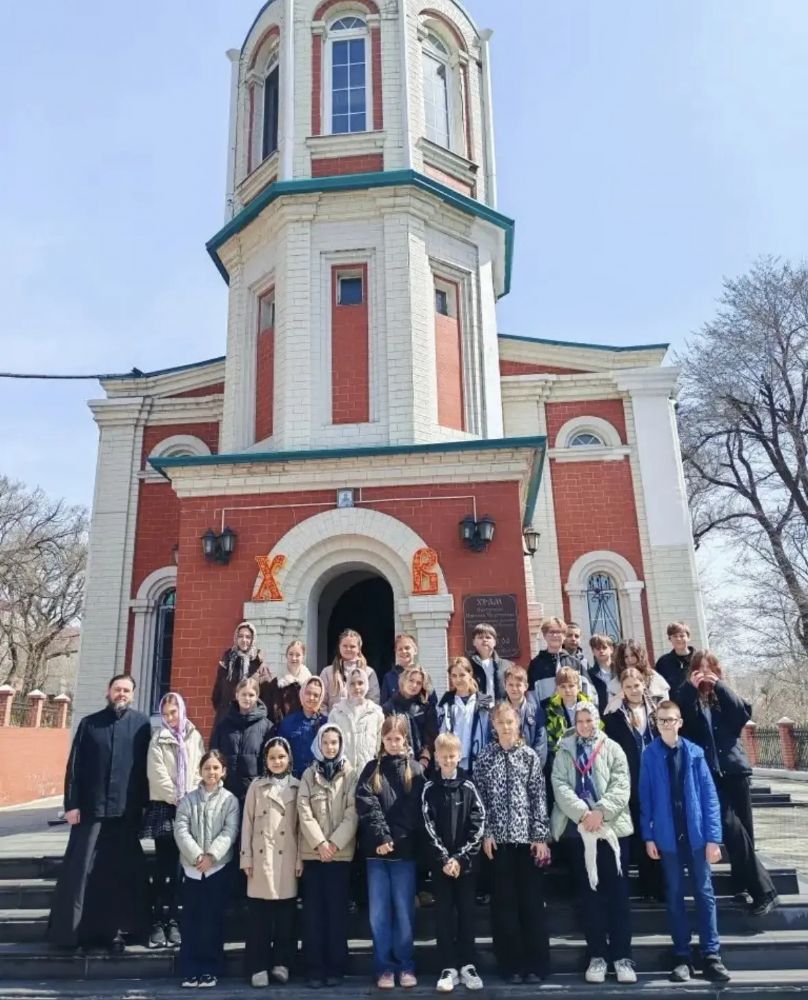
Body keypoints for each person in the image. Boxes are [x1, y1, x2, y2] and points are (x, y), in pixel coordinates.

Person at [47, 674, 151, 953]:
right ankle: (74, 934)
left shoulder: (142, 725)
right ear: (108, 691)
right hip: (91, 811)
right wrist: (71, 804)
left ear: (133, 694)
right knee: (82, 872)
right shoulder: (89, 724)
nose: (121, 694)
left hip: (126, 813)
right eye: (117, 689)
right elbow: (75, 767)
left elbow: (146, 771)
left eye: (126, 690)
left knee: (121, 874)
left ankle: (119, 933)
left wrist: (144, 807)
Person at [677, 651, 779, 916]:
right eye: (699, 668)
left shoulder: (723, 694)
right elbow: (683, 725)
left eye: (709, 668)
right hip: (709, 775)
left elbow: (741, 717)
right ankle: (765, 891)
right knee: (731, 827)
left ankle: (744, 886)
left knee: (744, 831)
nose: (704, 673)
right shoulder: (689, 698)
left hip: (734, 770)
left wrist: (720, 686)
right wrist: (690, 689)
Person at [640, 700, 731, 984]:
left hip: (696, 838)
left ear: (680, 722)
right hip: (668, 839)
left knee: (704, 894)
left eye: (671, 719)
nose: (667, 724)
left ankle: (711, 954)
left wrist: (714, 838)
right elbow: (645, 797)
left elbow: (710, 798)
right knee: (675, 896)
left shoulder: (695, 753)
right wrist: (648, 836)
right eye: (661, 720)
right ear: (656, 724)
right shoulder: (649, 754)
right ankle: (682, 955)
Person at [551, 702, 636, 985]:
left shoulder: (613, 748)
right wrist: (583, 814)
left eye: (589, 720)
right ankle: (597, 956)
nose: (585, 725)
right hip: (579, 832)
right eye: (580, 721)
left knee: (617, 896)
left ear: (597, 721)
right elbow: (559, 784)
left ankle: (622, 957)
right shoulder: (564, 750)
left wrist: (601, 811)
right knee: (590, 897)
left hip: (611, 831)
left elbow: (621, 785)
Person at [474, 702, 551, 985]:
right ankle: (511, 966)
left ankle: (536, 965)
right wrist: (487, 832)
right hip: (499, 843)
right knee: (504, 907)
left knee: (531, 905)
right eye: (500, 722)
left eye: (510, 722)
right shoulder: (485, 757)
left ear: (517, 723)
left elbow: (538, 797)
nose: (506, 727)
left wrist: (540, 836)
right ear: (493, 726)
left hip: (527, 841)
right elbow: (479, 800)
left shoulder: (529, 756)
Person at [355, 715, 426, 989]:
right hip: (376, 854)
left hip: (404, 854)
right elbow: (366, 803)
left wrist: (394, 837)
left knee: (404, 913)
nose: (393, 743)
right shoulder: (372, 769)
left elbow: (414, 810)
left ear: (405, 740)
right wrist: (381, 836)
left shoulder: (415, 771)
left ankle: (405, 965)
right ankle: (383, 967)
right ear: (382, 740)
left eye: (398, 739)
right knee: (379, 914)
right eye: (388, 739)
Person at [421, 732, 485, 993]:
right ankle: (448, 967)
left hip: (465, 866)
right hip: (441, 866)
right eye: (443, 756)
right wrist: (444, 859)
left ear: (459, 756)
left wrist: (460, 858)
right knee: (444, 915)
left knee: (467, 914)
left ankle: (468, 965)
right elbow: (428, 826)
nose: (448, 760)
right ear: (436, 757)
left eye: (452, 756)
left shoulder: (469, 787)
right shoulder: (429, 789)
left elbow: (478, 824)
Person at [298, 724, 358, 988]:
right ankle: (314, 968)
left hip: (339, 856)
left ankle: (335, 967)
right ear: (318, 745)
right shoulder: (308, 775)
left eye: (334, 742)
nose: (330, 747)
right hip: (313, 855)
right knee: (313, 915)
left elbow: (353, 812)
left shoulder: (350, 774)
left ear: (340, 744)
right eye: (326, 742)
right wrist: (320, 843)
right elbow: (303, 812)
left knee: (336, 914)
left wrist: (333, 843)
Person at [174, 749, 240, 988]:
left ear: (223, 771)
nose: (211, 772)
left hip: (217, 869)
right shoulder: (188, 799)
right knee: (192, 921)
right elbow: (181, 829)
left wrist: (211, 856)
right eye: (207, 768)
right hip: (192, 869)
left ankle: (210, 969)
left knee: (213, 921)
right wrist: (196, 856)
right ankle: (190, 970)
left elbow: (230, 831)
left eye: (215, 768)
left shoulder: (230, 800)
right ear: (200, 771)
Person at [143, 692, 205, 949]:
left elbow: (200, 769)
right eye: (166, 714)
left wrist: (191, 796)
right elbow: (156, 774)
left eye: (174, 712)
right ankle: (158, 922)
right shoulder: (158, 738)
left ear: (182, 710)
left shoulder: (194, 736)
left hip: (189, 809)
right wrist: (177, 797)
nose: (170, 718)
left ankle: (174, 920)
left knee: (181, 870)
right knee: (164, 869)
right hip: (166, 809)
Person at [241, 736, 302, 987]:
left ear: (289, 759)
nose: (277, 762)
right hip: (261, 857)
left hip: (287, 857)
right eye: (272, 757)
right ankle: (258, 966)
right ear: (265, 760)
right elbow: (247, 823)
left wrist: (300, 859)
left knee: (286, 917)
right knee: (260, 918)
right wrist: (246, 857)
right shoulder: (256, 786)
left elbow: (300, 828)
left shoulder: (297, 786)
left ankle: (282, 963)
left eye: (281, 757)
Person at [603, 667, 663, 900]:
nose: (633, 690)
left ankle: (661, 886)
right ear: (622, 690)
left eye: (636, 685)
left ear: (643, 684)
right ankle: (646, 886)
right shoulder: (616, 716)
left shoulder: (656, 711)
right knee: (639, 831)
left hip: (656, 778)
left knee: (658, 829)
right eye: (628, 687)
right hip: (632, 779)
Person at [210, 676, 274, 804]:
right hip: (226, 792)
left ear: (257, 697)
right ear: (236, 695)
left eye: (251, 695)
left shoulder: (267, 727)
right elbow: (214, 755)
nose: (247, 698)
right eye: (243, 694)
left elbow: (269, 762)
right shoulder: (223, 725)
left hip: (254, 793)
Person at [437, 657, 492, 777]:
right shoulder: (446, 702)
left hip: (479, 763)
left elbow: (490, 733)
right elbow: (441, 734)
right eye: (454, 676)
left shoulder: (484, 701)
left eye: (462, 675)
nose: (458, 679)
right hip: (452, 763)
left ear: (470, 674)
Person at [211, 621, 270, 730]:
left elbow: (267, 697)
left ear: (253, 639)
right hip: (227, 721)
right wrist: (224, 711)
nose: (244, 640)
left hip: (251, 722)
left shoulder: (259, 664)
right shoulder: (227, 662)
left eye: (248, 637)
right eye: (241, 636)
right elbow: (217, 695)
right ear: (236, 638)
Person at [382, 666, 439, 772]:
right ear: (403, 680)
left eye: (419, 683)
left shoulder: (427, 707)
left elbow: (432, 736)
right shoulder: (388, 707)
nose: (414, 685)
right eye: (411, 680)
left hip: (423, 765)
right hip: (397, 763)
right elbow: (386, 737)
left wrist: (424, 760)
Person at [528, 616, 592, 706]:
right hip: (544, 713)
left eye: (558, 632)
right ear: (544, 635)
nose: (555, 635)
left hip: (574, 713)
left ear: (564, 636)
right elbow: (531, 697)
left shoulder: (575, 664)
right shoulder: (536, 664)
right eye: (551, 632)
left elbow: (588, 692)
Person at [329, 668, 384, 773]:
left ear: (366, 684)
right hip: (343, 773)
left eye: (360, 683)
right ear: (347, 686)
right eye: (352, 684)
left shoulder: (375, 712)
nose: (357, 687)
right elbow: (331, 744)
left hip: (368, 772)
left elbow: (380, 745)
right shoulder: (336, 713)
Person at [278, 676, 329, 779]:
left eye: (316, 695)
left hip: (318, 780)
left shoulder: (326, 723)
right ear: (302, 694)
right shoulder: (288, 722)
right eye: (308, 693)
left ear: (321, 698)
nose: (311, 698)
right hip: (293, 780)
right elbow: (280, 751)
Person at [320, 629, 381, 711]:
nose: (348, 649)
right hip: (333, 718)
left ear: (359, 648)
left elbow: (373, 701)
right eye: (345, 646)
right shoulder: (327, 672)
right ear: (339, 647)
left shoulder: (369, 672)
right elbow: (321, 702)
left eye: (352, 646)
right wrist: (331, 718)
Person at [501, 663, 547, 765]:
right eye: (510, 685)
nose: (514, 689)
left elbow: (541, 744)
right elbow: (494, 742)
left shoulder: (536, 712)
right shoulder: (498, 713)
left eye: (518, 685)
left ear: (526, 686)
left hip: (531, 768)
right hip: (505, 768)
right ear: (504, 686)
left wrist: (533, 768)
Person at [262, 639, 312, 726]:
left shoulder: (309, 684)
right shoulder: (276, 683)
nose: (294, 658)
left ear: (303, 657)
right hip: (281, 729)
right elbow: (269, 710)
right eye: (291, 654)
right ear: (286, 655)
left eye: (298, 655)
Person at [380, 634, 438, 707]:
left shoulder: (423, 676)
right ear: (396, 652)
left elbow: (432, 702)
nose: (404, 651)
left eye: (407, 648)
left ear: (415, 650)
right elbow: (384, 704)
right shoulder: (389, 677)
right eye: (400, 649)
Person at [610, 640, 669, 704]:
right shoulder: (613, 686)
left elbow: (665, 706)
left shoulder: (655, 679)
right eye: (626, 656)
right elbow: (612, 708)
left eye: (633, 655)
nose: (630, 660)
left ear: (640, 656)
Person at [465, 623, 510, 700]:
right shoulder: (467, 665)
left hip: (501, 706)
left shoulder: (507, 665)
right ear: (474, 642)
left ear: (495, 642)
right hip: (476, 706)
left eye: (488, 637)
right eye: (480, 637)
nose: (484, 640)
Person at [655, 622, 695, 696]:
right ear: (670, 639)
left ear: (688, 638)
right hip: (672, 703)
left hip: (697, 703)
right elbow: (657, 687)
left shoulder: (699, 659)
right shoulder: (663, 662)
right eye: (675, 636)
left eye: (682, 636)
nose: (678, 639)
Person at [588, 634, 616, 714]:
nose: (601, 651)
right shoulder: (589, 675)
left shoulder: (620, 671)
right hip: (601, 715)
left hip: (622, 715)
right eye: (597, 648)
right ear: (593, 651)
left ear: (611, 649)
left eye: (604, 647)